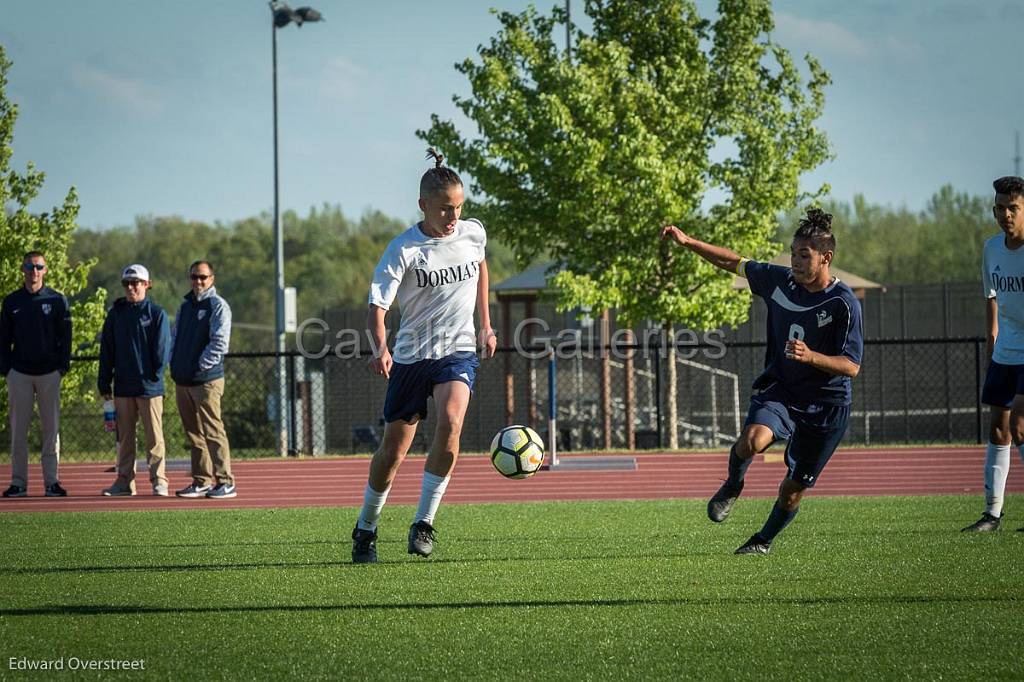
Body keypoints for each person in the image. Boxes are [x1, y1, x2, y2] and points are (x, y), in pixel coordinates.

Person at [660, 208, 863, 554]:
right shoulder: (779, 281)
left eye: (804, 255)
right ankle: (733, 483)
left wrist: (811, 356)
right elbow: (734, 263)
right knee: (752, 441)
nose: (795, 262)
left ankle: (762, 541)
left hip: (827, 406)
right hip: (782, 390)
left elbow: (852, 366)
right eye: (793, 253)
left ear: (826, 257)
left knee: (794, 489)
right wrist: (689, 242)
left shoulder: (843, 303)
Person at [351, 148, 496, 563]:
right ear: (423, 206)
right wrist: (381, 349)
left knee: (451, 421)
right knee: (392, 452)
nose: (454, 217)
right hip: (412, 358)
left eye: (459, 207)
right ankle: (366, 528)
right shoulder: (403, 249)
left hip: (458, 351)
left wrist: (485, 324)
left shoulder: (472, 233)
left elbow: (481, 266)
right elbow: (376, 309)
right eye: (445, 209)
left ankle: (424, 522)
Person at [963, 175, 1024, 532]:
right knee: (999, 429)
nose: (1006, 215)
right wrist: (992, 342)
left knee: (1019, 424)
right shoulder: (992, 249)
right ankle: (992, 515)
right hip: (1005, 352)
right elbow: (992, 297)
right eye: (1000, 208)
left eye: (1013, 208)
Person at [0, 251, 71, 498]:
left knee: (51, 431)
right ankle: (18, 483)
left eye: (39, 266)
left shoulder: (57, 300)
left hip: (49, 374)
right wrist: (6, 369)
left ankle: (52, 483)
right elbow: (3, 339)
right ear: (22, 269)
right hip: (19, 373)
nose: (34, 271)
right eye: (30, 266)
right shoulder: (11, 302)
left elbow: (66, 337)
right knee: (19, 430)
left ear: (46, 270)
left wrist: (62, 367)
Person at [98, 264, 171, 497]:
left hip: (149, 388)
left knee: (154, 438)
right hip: (122, 387)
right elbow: (107, 350)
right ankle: (124, 482)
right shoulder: (115, 314)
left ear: (147, 285)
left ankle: (159, 481)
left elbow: (161, 351)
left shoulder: (157, 314)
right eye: (127, 283)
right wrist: (104, 382)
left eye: (136, 282)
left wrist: (152, 376)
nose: (131, 287)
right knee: (125, 439)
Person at [170, 260, 235, 499]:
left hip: (206, 380)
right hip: (183, 379)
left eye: (203, 277)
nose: (198, 281)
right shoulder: (185, 306)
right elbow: (175, 337)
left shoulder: (217, 305)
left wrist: (200, 365)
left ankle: (226, 481)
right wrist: (175, 362)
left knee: (213, 430)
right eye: (194, 277)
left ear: (212, 279)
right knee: (193, 433)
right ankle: (202, 480)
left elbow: (220, 343)